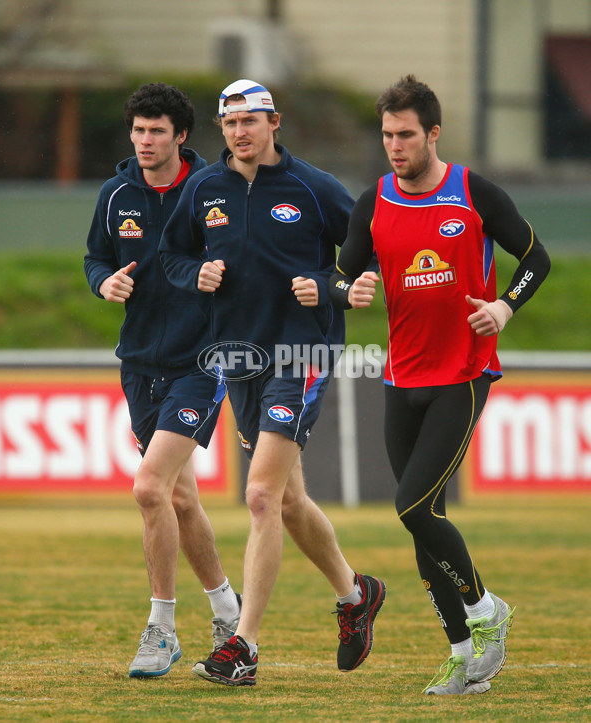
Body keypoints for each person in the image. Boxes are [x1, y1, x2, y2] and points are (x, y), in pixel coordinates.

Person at [159, 78, 386, 687]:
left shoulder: (316, 189)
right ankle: (354, 594)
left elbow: (368, 256)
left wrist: (330, 285)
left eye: (250, 121)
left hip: (300, 354)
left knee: (259, 496)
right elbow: (172, 255)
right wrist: (194, 273)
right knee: (286, 500)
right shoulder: (204, 186)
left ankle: (244, 646)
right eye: (229, 123)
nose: (239, 132)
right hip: (235, 357)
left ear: (274, 122)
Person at [329, 75, 550, 696]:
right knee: (426, 522)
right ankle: (463, 656)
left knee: (411, 506)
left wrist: (505, 307)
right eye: (386, 136)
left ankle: (485, 610)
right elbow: (340, 277)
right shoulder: (372, 202)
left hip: (464, 375)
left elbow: (537, 260)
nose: (394, 146)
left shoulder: (473, 192)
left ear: (432, 133)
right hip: (402, 379)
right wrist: (352, 290)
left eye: (405, 135)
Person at [84, 82, 241, 679]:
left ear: (180, 136)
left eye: (157, 131)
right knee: (178, 495)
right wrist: (104, 282)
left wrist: (215, 275)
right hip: (139, 363)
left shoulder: (212, 192)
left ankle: (161, 628)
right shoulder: (116, 193)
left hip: (201, 360)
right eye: (138, 131)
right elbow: (96, 257)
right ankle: (228, 609)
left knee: (150, 487)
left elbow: (244, 261)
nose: (144, 141)